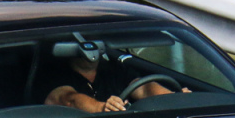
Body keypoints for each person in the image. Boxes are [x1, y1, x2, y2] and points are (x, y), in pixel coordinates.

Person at [42, 48, 178, 113]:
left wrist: (172, 98)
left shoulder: (114, 69)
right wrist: (102, 108)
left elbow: (143, 87)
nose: (92, 47)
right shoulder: (53, 73)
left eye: (96, 41)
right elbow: (68, 100)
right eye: (86, 42)